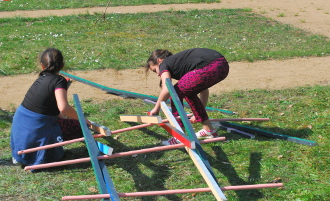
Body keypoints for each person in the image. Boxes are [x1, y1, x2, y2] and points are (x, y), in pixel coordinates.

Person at [10, 48, 90, 168]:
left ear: (42, 66)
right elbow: (63, 107)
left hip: (21, 134)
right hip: (37, 129)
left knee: (68, 123)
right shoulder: (59, 81)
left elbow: (49, 107)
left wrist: (64, 120)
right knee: (81, 127)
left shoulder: (40, 80)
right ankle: (42, 155)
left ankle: (26, 155)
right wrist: (82, 120)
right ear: (62, 65)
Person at [146, 48, 229, 145]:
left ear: (159, 61)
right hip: (223, 66)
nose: (157, 74)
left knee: (175, 93)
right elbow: (204, 91)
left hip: (210, 66)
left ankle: (179, 136)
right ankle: (208, 130)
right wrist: (197, 113)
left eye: (155, 70)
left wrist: (156, 108)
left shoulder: (165, 63)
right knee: (187, 91)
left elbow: (167, 89)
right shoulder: (183, 65)